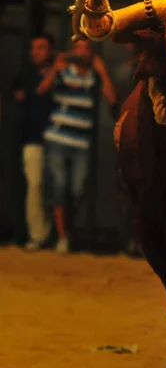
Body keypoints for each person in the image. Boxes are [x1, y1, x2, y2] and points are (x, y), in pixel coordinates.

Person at [38, 39, 118, 255]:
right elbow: (41, 90)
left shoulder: (93, 76)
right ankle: (63, 236)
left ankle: (64, 229)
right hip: (57, 138)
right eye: (78, 48)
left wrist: (102, 71)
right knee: (60, 185)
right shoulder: (63, 72)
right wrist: (55, 68)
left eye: (86, 49)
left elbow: (112, 99)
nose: (81, 52)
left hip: (81, 142)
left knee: (78, 188)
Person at [13, 34, 55, 251]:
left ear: (51, 50)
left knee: (60, 189)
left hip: (60, 140)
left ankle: (57, 234)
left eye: (41, 47)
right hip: (33, 139)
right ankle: (38, 235)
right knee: (35, 186)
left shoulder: (62, 72)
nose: (36, 52)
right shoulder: (25, 76)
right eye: (33, 47)